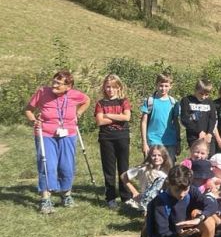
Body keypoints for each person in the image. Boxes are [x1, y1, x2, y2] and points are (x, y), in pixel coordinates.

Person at [25, 70, 91, 214]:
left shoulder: (74, 94)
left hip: (68, 134)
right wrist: (34, 120)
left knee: (67, 166)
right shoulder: (42, 92)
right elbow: (29, 110)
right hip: (45, 134)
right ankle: (45, 199)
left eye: (58, 83)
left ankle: (66, 195)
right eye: (54, 81)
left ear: (68, 87)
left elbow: (87, 100)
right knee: (47, 165)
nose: (54, 85)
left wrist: (78, 113)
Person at [143, 165, 215, 237]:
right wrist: (179, 235)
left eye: (185, 190)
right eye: (177, 190)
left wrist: (199, 218)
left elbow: (211, 204)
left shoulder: (191, 191)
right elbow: (161, 235)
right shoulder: (161, 202)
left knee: (209, 220)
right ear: (169, 184)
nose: (181, 194)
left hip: (183, 235)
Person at [94, 73, 131, 209]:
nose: (110, 90)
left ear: (118, 88)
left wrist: (108, 115)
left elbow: (126, 117)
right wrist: (118, 117)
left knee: (123, 168)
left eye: (113, 87)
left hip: (122, 137)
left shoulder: (123, 101)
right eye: (108, 87)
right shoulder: (100, 103)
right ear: (104, 88)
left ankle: (126, 196)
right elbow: (99, 121)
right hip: (106, 138)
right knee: (109, 169)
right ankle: (110, 197)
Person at [139, 72, 179, 160]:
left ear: (171, 86)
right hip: (153, 140)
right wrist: (144, 142)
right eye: (161, 85)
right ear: (156, 85)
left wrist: (178, 142)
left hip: (170, 141)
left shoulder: (174, 102)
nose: (163, 88)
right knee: (153, 166)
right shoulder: (150, 101)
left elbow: (176, 123)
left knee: (169, 166)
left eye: (166, 86)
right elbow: (143, 122)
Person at [179, 79, 216, 149]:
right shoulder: (186, 100)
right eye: (201, 94)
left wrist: (209, 133)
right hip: (194, 137)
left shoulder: (210, 102)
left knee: (209, 155)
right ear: (196, 90)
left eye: (206, 95)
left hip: (208, 137)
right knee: (197, 154)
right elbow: (185, 119)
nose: (203, 97)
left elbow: (212, 119)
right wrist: (199, 131)